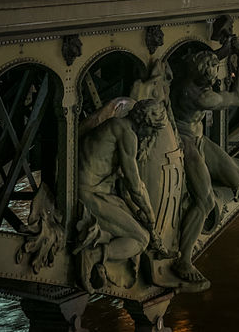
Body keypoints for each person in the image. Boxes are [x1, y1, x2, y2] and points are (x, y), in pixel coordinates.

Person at [171, 44, 239, 288]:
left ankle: (229, 165)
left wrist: (225, 50)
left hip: (199, 138)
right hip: (184, 141)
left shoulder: (184, 71)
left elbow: (205, 58)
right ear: (202, 76)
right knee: (205, 201)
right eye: (212, 73)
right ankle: (184, 259)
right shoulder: (201, 96)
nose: (215, 78)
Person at [72, 98, 172, 290]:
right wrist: (150, 217)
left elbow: (125, 189)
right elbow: (135, 186)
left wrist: (138, 213)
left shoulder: (113, 125)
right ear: (147, 123)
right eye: (153, 131)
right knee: (141, 239)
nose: (151, 136)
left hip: (89, 190)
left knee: (134, 224)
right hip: (88, 195)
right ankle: (91, 257)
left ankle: (101, 258)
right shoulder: (127, 135)